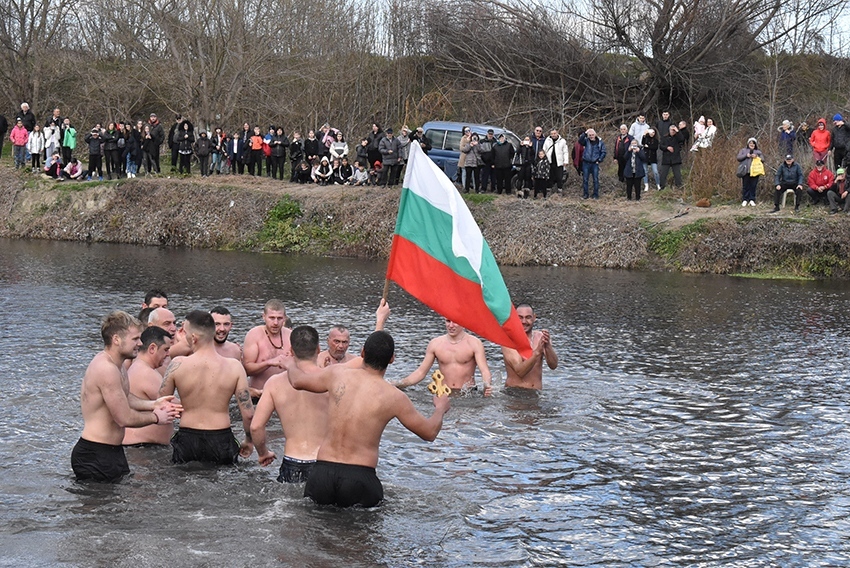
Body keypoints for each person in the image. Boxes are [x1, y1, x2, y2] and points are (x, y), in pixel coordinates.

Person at [287, 330, 451, 508]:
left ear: (363, 352)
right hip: (359, 477)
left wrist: (290, 363)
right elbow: (429, 432)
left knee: (317, 532)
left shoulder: (337, 374)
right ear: (392, 359)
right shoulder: (394, 397)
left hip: (322, 474)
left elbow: (298, 381)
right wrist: (440, 409)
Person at [71, 311, 181, 482]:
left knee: (119, 506)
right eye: (135, 339)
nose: (140, 343)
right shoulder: (105, 368)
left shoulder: (118, 364)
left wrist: (153, 404)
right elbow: (123, 418)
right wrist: (156, 417)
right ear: (116, 339)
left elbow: (125, 397)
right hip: (95, 452)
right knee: (100, 507)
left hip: (113, 451)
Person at [158, 310, 254, 465]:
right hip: (221, 437)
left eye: (185, 332)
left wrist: (188, 407)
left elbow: (162, 403)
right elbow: (248, 414)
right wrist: (249, 440)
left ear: (194, 337)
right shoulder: (234, 367)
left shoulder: (177, 364)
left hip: (187, 437)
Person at [252, 326, 329, 483]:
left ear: (291, 351)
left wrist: (263, 453)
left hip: (292, 461)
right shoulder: (331, 379)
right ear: (319, 349)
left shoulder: (274, 383)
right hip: (325, 462)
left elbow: (256, 427)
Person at [395, 318, 493, 396]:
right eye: (448, 321)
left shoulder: (474, 343)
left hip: (468, 393)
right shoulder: (435, 344)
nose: (451, 325)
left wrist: (486, 385)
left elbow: (484, 370)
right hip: (443, 392)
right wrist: (400, 384)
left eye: (455, 322)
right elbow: (421, 372)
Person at [122, 326, 176, 446]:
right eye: (166, 349)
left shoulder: (140, 367)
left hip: (142, 447)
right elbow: (174, 406)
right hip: (142, 447)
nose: (168, 354)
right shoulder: (145, 372)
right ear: (152, 348)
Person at [501, 304, 558, 390]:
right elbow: (520, 371)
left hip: (535, 393)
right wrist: (537, 353)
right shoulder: (507, 340)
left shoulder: (541, 337)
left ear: (534, 318)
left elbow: (553, 365)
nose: (524, 321)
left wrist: (548, 347)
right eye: (520, 317)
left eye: (528, 317)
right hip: (514, 393)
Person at [242, 299, 292, 396]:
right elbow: (246, 370)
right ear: (264, 317)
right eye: (272, 318)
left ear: (285, 318)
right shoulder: (254, 335)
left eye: (279, 318)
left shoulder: (291, 336)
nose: (276, 323)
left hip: (285, 396)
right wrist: (269, 363)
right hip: (258, 395)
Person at [659, 122, 689, 190]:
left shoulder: (678, 137)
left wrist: (677, 131)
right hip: (666, 158)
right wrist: (667, 147)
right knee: (663, 174)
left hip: (675, 158)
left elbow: (682, 139)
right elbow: (661, 146)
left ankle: (679, 187)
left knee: (677, 175)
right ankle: (662, 187)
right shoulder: (664, 137)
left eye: (674, 130)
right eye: (671, 130)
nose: (672, 132)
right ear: (669, 130)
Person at [578, 128, 606, 199]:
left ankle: (595, 195)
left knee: (595, 180)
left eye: (592, 134)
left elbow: (603, 152)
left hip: (595, 164)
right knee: (585, 179)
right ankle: (585, 194)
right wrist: (585, 133)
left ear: (595, 134)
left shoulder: (600, 142)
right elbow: (580, 141)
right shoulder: (586, 141)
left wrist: (599, 160)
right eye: (590, 135)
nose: (591, 136)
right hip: (586, 163)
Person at [736, 138, 763, 207]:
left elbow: (763, 159)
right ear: (748, 144)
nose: (752, 144)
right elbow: (738, 158)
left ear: (755, 144)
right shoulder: (743, 150)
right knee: (745, 186)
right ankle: (745, 199)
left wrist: (756, 156)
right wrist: (746, 156)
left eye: (753, 143)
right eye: (750, 143)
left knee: (753, 186)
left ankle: (752, 199)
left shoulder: (758, 152)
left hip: (755, 172)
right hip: (746, 171)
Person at [542, 128, 569, 193]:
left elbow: (565, 152)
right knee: (550, 176)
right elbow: (544, 150)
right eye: (552, 134)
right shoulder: (547, 140)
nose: (553, 135)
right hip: (549, 162)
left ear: (557, 133)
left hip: (559, 162)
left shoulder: (562, 141)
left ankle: (559, 189)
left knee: (559, 177)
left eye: (554, 133)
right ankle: (549, 189)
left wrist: (566, 161)